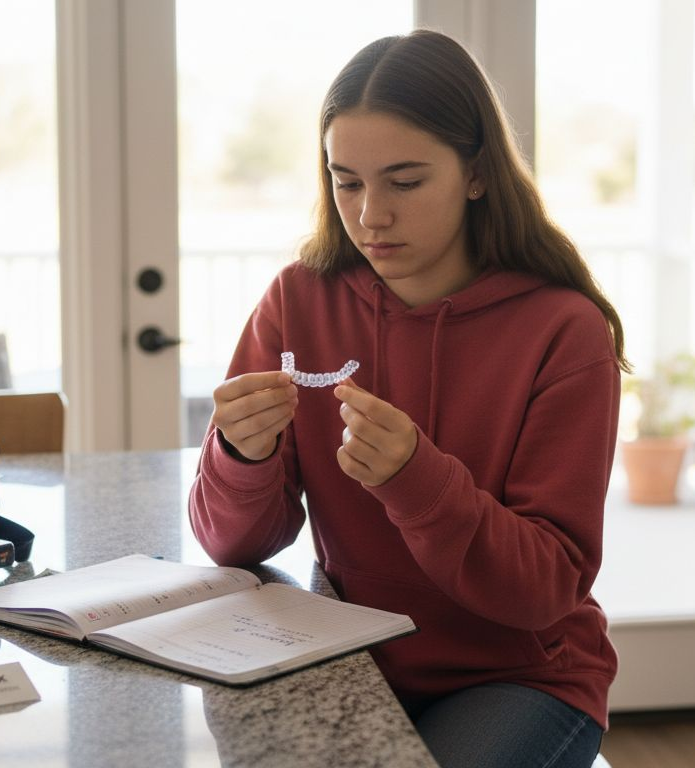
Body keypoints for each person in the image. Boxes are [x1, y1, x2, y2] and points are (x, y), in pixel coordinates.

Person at [189, 29, 628, 768]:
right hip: (347, 652)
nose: (370, 216)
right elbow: (234, 543)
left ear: (478, 174)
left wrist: (417, 481)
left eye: (405, 181)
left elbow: (547, 586)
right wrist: (240, 454)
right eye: (347, 180)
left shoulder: (564, 331)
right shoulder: (298, 301)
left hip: (518, 675)